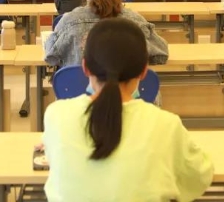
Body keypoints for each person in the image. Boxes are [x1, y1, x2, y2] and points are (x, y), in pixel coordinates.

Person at [42, 17, 213, 202]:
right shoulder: (167, 125)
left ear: (85, 68)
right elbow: (200, 176)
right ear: (144, 71)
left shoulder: (56, 116)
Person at [45, 0, 168, 67]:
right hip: (125, 88)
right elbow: (161, 54)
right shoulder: (136, 21)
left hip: (78, 88)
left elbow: (51, 56)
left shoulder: (69, 20)